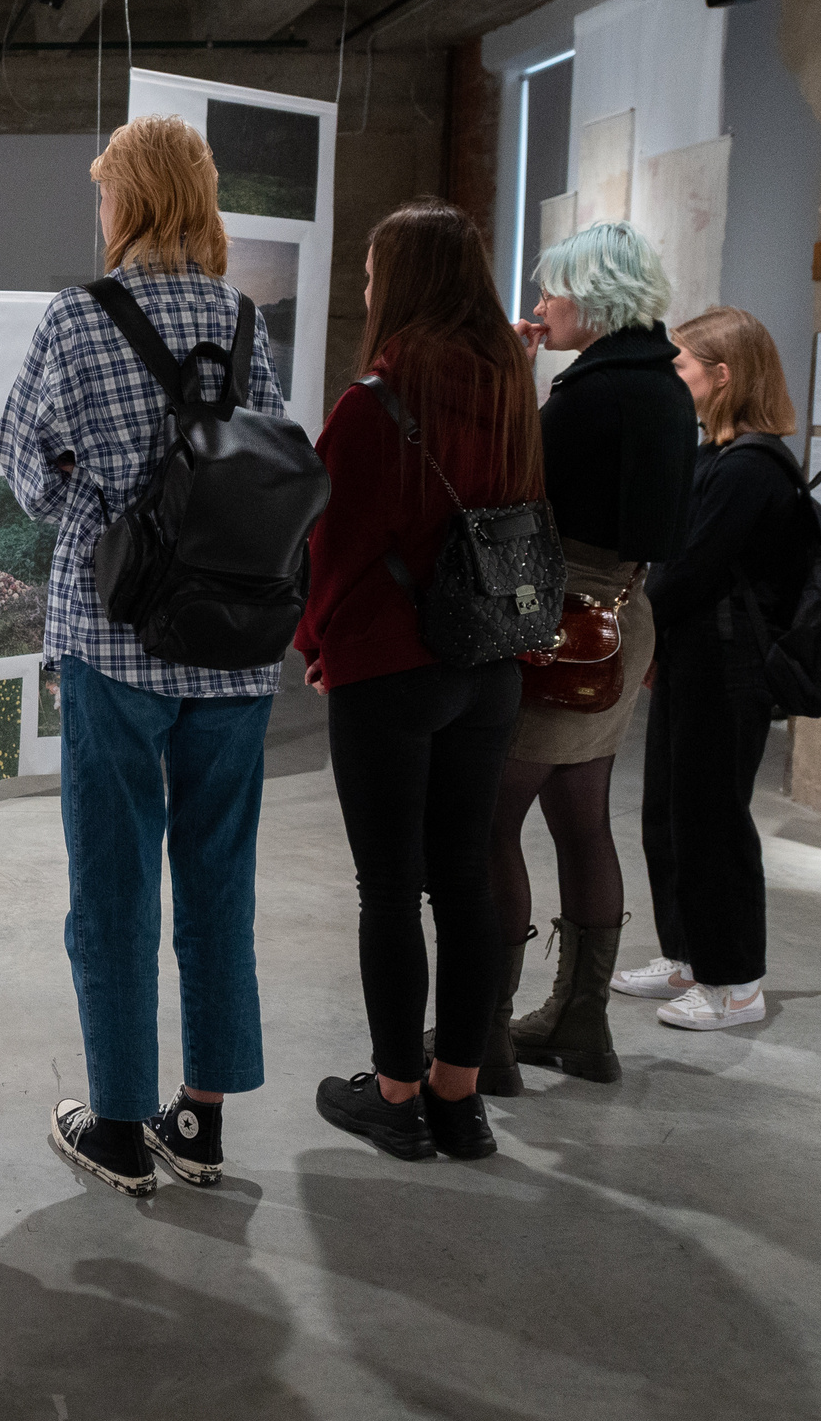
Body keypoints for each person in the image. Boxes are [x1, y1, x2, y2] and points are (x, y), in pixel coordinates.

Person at [0, 113, 286, 1197]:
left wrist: (102, 509)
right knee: (220, 877)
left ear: (127, 201)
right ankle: (199, 1119)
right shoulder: (247, 320)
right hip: (237, 647)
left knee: (112, 882)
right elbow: (268, 465)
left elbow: (24, 465)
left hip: (116, 637)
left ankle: (118, 1125)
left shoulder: (79, 318)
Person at [296, 198, 544, 1163]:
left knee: (390, 889)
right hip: (490, 668)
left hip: (392, 669)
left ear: (400, 284)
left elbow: (330, 546)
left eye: (370, 272)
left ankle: (395, 1093)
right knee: (467, 884)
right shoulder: (510, 394)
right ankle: (460, 1097)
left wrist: (319, 642)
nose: (364, 288)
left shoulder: (374, 404)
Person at [480, 222, 697, 1089]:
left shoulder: (592, 393)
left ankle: (482, 1035)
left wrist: (510, 378)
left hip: (559, 623)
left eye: (552, 291)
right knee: (582, 821)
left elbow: (513, 480)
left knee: (490, 823)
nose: (539, 306)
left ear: (594, 298)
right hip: (621, 615)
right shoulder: (668, 388)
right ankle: (582, 1024)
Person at [636, 306, 809, 1032]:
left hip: (728, 666)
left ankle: (735, 981)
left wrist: (637, 627)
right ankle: (686, 953)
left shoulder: (751, 466)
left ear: (722, 374)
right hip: (690, 655)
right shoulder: (713, 455)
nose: (674, 377)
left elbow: (695, 566)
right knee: (668, 812)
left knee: (713, 821)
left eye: (682, 365)